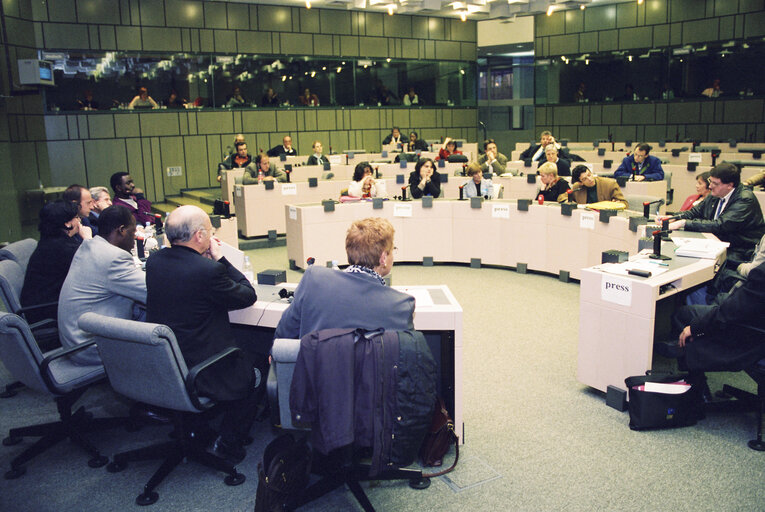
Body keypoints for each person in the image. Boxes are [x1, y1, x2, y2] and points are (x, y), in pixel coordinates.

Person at [146, 205, 259, 463]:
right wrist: (220, 258)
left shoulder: (154, 263)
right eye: (209, 231)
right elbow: (247, 295)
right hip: (201, 369)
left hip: (168, 364)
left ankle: (197, 428)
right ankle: (228, 441)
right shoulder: (208, 271)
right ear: (199, 236)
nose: (211, 235)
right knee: (258, 364)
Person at [275, 217, 414, 339]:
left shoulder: (314, 279)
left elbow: (284, 333)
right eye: (392, 250)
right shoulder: (401, 305)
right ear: (383, 258)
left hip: (316, 368)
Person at [58, 205, 146, 367]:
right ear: (121, 230)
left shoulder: (89, 246)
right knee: (167, 312)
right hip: (91, 348)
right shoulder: (114, 258)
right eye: (133, 233)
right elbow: (154, 292)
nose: (134, 239)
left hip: (73, 341)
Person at [658, 261, 765, 388]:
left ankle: (696, 388)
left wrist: (695, 328)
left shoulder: (762, 274)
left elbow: (730, 312)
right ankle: (686, 353)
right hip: (756, 325)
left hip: (752, 338)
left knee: (684, 315)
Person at [663, 163, 765, 266]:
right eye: (710, 181)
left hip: (739, 250)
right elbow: (695, 212)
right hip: (716, 243)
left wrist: (684, 223)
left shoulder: (745, 199)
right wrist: (673, 217)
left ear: (730, 185)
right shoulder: (716, 193)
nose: (710, 186)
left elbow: (720, 225)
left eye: (715, 183)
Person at [19, 200, 85, 325]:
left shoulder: (49, 241)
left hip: (43, 306)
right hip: (50, 313)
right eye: (76, 217)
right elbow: (94, 264)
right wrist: (88, 239)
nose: (79, 221)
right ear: (67, 223)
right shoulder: (63, 248)